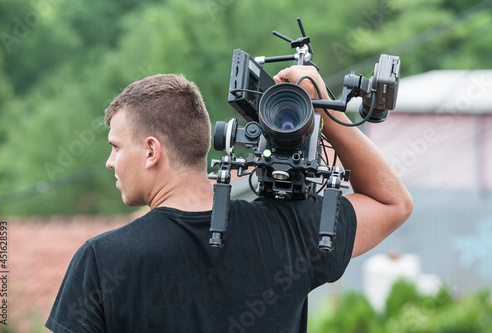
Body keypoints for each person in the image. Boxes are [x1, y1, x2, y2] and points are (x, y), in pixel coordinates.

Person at [46, 66, 412, 332]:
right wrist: (321, 111)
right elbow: (391, 203)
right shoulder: (291, 230)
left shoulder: (102, 260)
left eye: (115, 147)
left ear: (151, 151)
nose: (110, 161)